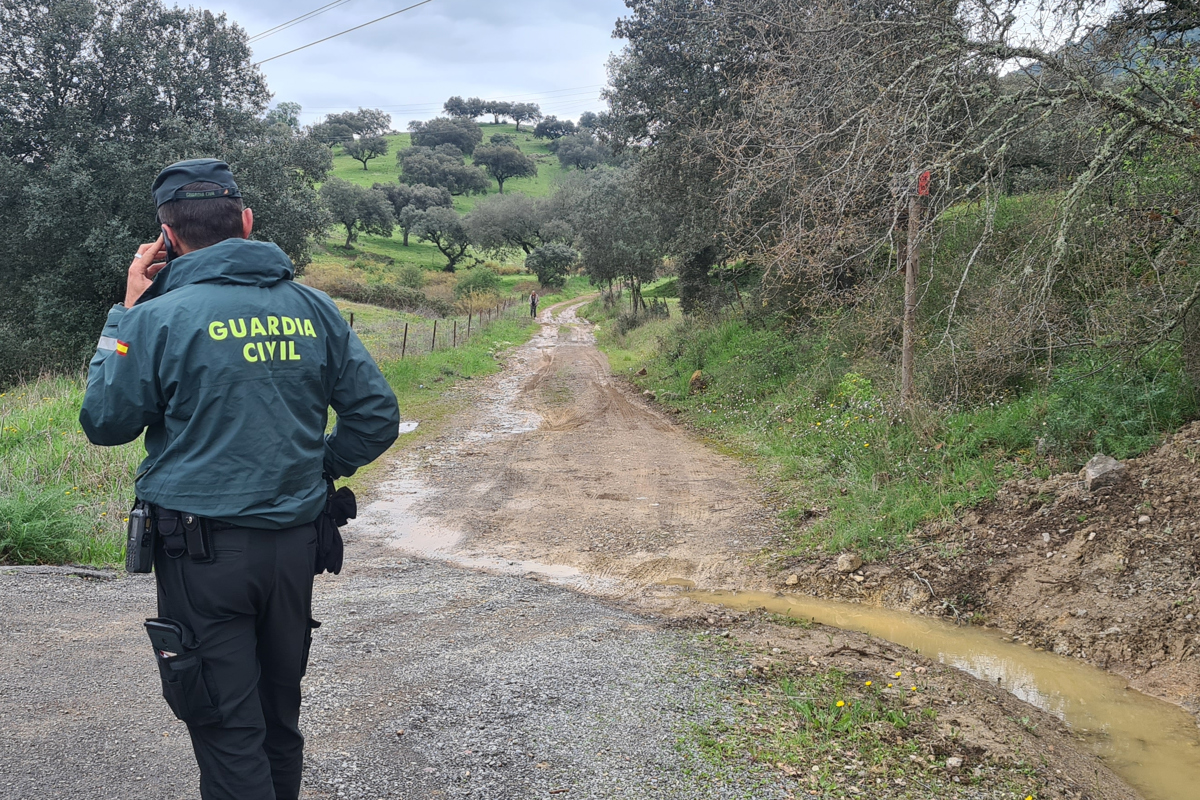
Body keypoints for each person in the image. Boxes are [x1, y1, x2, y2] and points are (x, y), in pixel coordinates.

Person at [79, 158, 400, 800]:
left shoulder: (155, 318)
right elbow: (375, 417)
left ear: (167, 236)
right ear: (247, 222)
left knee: (228, 727)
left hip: (202, 557)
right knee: (279, 718)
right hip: (295, 548)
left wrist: (124, 314)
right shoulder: (315, 308)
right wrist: (319, 465)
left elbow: (106, 423)